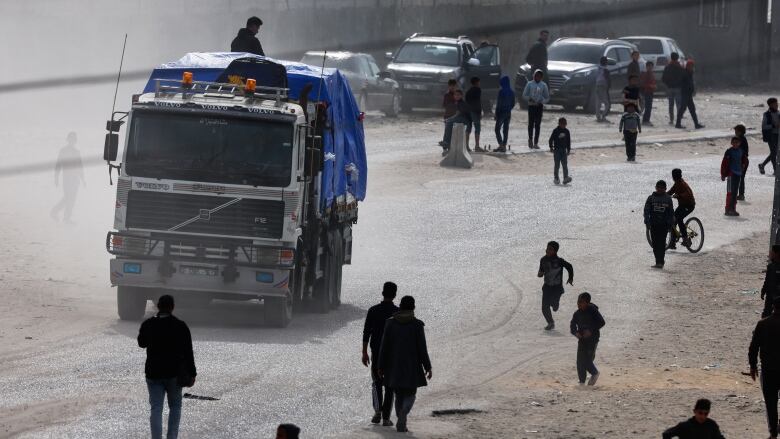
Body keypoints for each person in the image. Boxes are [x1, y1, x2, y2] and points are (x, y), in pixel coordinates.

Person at [137, 295, 197, 439]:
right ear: (172, 307)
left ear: (158, 306)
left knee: (156, 408)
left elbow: (141, 343)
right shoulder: (181, 326)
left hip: (153, 373)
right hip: (174, 374)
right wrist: (192, 373)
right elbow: (188, 351)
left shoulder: (148, 324)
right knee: (175, 407)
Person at [378, 296, 432, 433]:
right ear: (413, 307)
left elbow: (384, 347)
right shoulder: (417, 325)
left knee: (398, 394)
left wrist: (380, 366)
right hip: (412, 366)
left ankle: (400, 417)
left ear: (400, 306)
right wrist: (427, 367)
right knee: (411, 393)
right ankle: (404, 414)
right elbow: (422, 348)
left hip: (393, 365)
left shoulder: (390, 323)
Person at [361, 282, 400, 426]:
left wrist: (364, 352)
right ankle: (386, 418)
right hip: (392, 354)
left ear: (382, 293)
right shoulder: (398, 313)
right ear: (395, 295)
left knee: (377, 382)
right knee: (390, 386)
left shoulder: (373, 310)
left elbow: (366, 333)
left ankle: (377, 412)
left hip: (376, 352)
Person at [749, 296, 780, 439]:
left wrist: (753, 366)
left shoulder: (762, 324)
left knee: (771, 403)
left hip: (768, 371)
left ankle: (773, 433)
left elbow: (753, 347)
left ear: (773, 307)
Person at [537, 241, 574, 330]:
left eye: (550, 249)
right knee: (544, 307)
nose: (547, 250)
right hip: (547, 286)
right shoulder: (543, 260)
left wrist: (570, 278)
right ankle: (550, 322)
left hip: (557, 287)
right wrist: (540, 274)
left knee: (554, 305)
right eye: (547, 248)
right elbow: (541, 271)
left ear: (555, 251)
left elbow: (569, 266)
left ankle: (555, 304)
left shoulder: (559, 261)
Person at [570, 292, 605, 386]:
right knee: (579, 361)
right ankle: (581, 382)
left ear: (587, 302)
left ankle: (595, 373)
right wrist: (576, 333)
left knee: (587, 360)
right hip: (582, 340)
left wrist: (590, 330)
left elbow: (601, 322)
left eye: (581, 302)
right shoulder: (577, 314)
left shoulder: (593, 311)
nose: (579, 304)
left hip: (593, 340)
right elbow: (572, 326)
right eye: (578, 302)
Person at [50, 132, 85, 224]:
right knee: (68, 198)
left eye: (73, 139)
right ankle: (55, 211)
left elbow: (80, 166)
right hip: (67, 178)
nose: (72, 141)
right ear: (68, 140)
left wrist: (83, 179)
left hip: (75, 179)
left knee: (72, 199)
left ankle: (66, 218)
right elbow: (58, 164)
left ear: (75, 141)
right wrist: (56, 177)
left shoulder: (77, 152)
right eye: (71, 139)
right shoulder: (63, 151)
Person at [644, 180, 674, 269]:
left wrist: (670, 224)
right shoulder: (651, 198)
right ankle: (658, 260)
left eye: (662, 188)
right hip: (653, 224)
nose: (660, 189)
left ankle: (660, 261)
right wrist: (647, 221)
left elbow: (671, 213)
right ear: (656, 188)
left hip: (664, 225)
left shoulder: (668, 199)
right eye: (659, 187)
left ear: (665, 189)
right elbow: (646, 211)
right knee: (655, 244)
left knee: (661, 243)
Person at [667, 168, 696, 249]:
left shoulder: (682, 184)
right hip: (682, 206)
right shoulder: (677, 183)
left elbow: (689, 194)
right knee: (673, 220)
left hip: (689, 206)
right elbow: (670, 192)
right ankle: (672, 242)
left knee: (679, 219)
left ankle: (685, 238)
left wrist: (679, 196)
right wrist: (662, 195)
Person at [522, 69, 550, 149]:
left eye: (539, 76)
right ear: (533, 76)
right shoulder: (529, 84)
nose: (537, 77)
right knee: (531, 124)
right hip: (531, 106)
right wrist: (529, 98)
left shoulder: (543, 85)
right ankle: (530, 139)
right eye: (536, 76)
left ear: (541, 77)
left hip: (539, 107)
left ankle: (536, 143)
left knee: (537, 125)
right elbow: (524, 95)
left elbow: (547, 97)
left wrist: (542, 101)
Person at [439, 89, 470, 154]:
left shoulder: (462, 103)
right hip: (461, 118)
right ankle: (447, 144)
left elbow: (458, 114)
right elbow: (457, 114)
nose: (456, 96)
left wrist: (449, 119)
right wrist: (449, 119)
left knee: (449, 122)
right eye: (455, 95)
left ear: (461, 96)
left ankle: (446, 143)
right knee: (448, 122)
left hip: (465, 119)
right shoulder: (458, 102)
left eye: (458, 95)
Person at [675, 60, 704, 129]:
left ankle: (696, 124)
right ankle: (678, 124)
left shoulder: (690, 73)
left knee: (692, 109)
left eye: (692, 66)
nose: (692, 67)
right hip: (685, 94)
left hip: (688, 94)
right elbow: (682, 83)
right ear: (688, 66)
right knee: (683, 109)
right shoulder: (685, 73)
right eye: (691, 66)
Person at [720, 137, 745, 216]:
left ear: (739, 143)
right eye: (733, 142)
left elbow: (744, 160)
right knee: (730, 192)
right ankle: (728, 209)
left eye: (737, 143)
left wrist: (743, 166)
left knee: (734, 193)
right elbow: (724, 163)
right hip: (731, 174)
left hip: (738, 174)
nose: (735, 144)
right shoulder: (729, 152)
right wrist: (723, 174)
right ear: (731, 143)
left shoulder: (741, 151)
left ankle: (733, 209)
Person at [662, 52, 685, 125]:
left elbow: (663, 78)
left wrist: (668, 84)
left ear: (671, 58)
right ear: (677, 58)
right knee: (679, 104)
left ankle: (671, 120)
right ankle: (678, 119)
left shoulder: (667, 67)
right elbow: (683, 78)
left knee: (671, 105)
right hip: (678, 88)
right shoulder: (680, 67)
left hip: (670, 88)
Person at [493, 76, 515, 153]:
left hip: (501, 112)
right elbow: (513, 104)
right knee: (505, 130)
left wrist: (496, 114)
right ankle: (504, 146)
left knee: (497, 129)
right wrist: (508, 109)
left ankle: (501, 145)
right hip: (508, 112)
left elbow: (499, 104)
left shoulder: (501, 92)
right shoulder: (512, 92)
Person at [548, 117, 572, 185]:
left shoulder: (567, 131)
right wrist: (551, 148)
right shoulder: (555, 131)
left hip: (564, 150)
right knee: (557, 165)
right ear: (559, 124)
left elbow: (568, 141)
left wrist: (569, 149)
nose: (564, 125)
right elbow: (550, 140)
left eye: (565, 124)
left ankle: (565, 178)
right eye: (563, 124)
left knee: (565, 165)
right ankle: (556, 178)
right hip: (557, 150)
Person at [760, 97, 780, 175]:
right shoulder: (767, 114)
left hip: (778, 135)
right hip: (771, 135)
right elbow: (764, 126)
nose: (777, 105)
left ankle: (762, 165)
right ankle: (776, 170)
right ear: (771, 105)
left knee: (774, 153)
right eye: (775, 104)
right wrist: (773, 125)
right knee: (774, 152)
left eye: (777, 103)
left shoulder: (778, 113)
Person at [761, 246, 780, 318]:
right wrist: (763, 291)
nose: (770, 254)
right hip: (770, 295)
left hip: (778, 295)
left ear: (777, 254)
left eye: (772, 252)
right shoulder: (770, 266)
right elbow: (767, 280)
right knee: (766, 313)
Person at [465, 77, 483, 152]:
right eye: (479, 82)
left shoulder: (468, 91)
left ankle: (466, 146)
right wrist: (480, 112)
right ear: (477, 82)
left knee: (468, 128)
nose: (480, 83)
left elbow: (467, 101)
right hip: (475, 111)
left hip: (468, 111)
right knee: (477, 128)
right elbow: (477, 102)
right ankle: (477, 146)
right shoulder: (478, 90)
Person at [734, 124, 749, 200]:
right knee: (741, 178)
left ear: (740, 131)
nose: (735, 132)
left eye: (736, 131)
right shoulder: (742, 139)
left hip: (742, 161)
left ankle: (741, 194)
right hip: (744, 160)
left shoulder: (740, 140)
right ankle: (741, 194)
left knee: (740, 178)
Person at [594, 56, 611, 122]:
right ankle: (603, 116)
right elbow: (608, 79)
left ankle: (598, 117)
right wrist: (609, 86)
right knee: (607, 104)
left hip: (597, 86)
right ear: (606, 62)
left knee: (598, 103)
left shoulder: (597, 68)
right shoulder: (606, 70)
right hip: (603, 86)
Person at [640, 61, 657, 126]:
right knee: (648, 107)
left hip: (651, 92)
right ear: (646, 67)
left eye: (651, 66)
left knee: (649, 107)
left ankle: (647, 120)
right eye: (649, 66)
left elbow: (653, 82)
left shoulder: (652, 74)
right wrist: (651, 86)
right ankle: (645, 120)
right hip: (647, 92)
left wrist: (654, 86)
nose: (650, 68)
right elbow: (643, 84)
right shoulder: (645, 74)